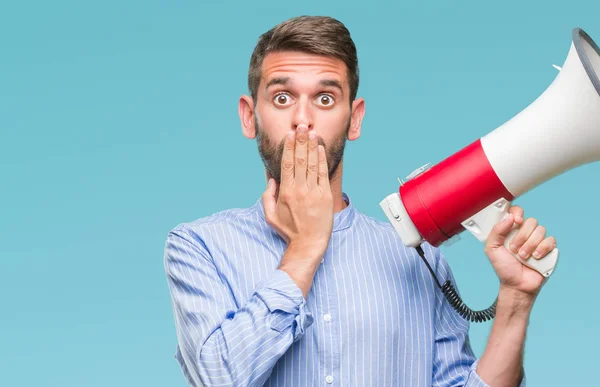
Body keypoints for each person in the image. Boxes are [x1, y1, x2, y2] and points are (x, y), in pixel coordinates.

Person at [163, 15, 556, 387]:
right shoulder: (199, 247)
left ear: (355, 119)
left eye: (325, 99)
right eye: (282, 98)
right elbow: (215, 377)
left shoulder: (418, 259)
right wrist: (304, 248)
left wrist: (515, 301)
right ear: (250, 117)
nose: (303, 119)